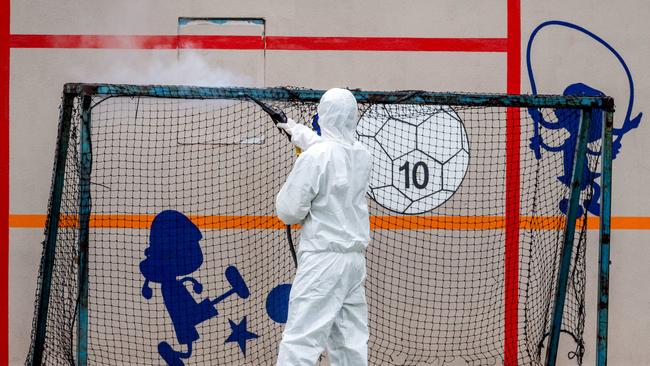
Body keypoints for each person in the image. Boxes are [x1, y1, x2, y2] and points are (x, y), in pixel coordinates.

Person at [274, 88, 372, 366]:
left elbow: (289, 211)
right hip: (353, 264)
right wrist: (296, 131)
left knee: (301, 341)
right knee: (349, 343)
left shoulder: (315, 158)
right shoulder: (362, 156)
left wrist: (304, 152)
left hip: (322, 262)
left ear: (323, 114)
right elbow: (332, 152)